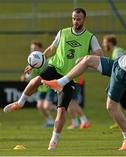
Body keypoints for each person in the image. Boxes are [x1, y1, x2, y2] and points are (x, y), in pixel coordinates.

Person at [41, 16, 126, 150]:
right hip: (118, 64)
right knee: (87, 59)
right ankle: (60, 82)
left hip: (123, 73)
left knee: (111, 106)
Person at [3, 8, 103, 150]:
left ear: (84, 20)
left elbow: (100, 53)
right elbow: (51, 48)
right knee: (37, 80)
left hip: (70, 77)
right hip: (55, 67)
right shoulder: (63, 32)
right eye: (74, 18)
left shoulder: (90, 37)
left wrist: (87, 58)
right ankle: (19, 103)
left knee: (61, 111)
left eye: (79, 19)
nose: (76, 21)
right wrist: (35, 63)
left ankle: (53, 141)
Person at [102, 34, 126, 129]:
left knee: (119, 101)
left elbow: (124, 65)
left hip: (124, 79)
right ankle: (124, 121)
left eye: (105, 43)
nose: (103, 45)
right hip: (125, 79)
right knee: (119, 101)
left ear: (110, 43)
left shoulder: (118, 52)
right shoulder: (117, 51)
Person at [20, 40, 57, 127]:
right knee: (40, 105)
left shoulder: (47, 60)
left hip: (49, 85)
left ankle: (62, 108)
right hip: (41, 87)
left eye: (35, 49)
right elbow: (31, 76)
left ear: (41, 49)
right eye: (32, 49)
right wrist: (25, 76)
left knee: (46, 106)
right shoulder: (32, 62)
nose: (33, 51)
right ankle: (50, 121)